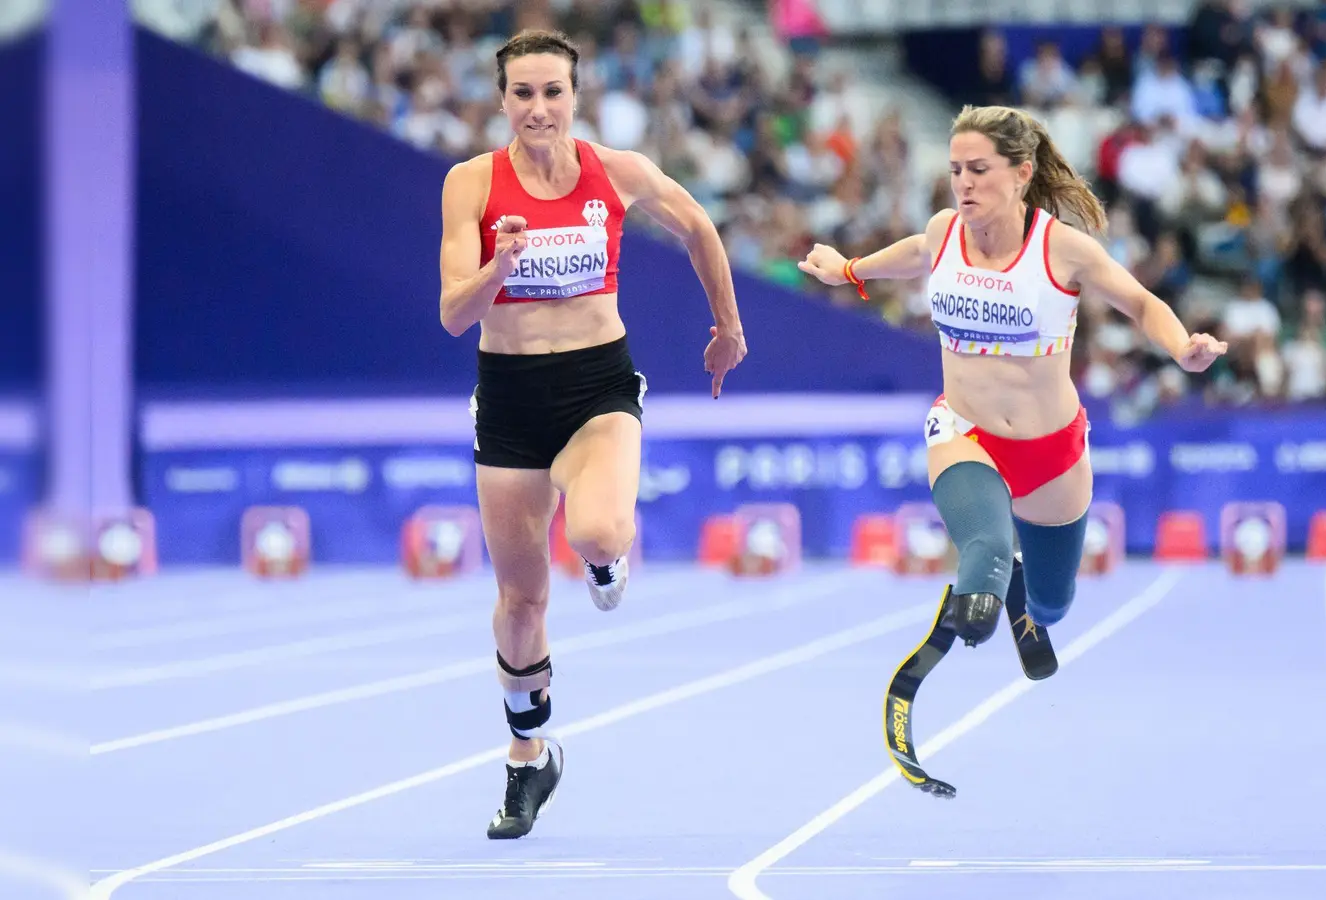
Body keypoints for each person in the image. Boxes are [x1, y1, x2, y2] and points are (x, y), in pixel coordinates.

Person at [798, 105, 1226, 794]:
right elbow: (911, 254)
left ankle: (1027, 589)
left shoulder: (1063, 251)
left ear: (1022, 174)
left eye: (979, 171)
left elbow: (1143, 304)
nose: (962, 185)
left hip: (1052, 452)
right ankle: (986, 587)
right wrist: (847, 270)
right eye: (954, 171)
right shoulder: (944, 232)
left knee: (1051, 607)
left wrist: (1185, 347)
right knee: (987, 558)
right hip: (964, 432)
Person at [437, 29, 747, 838]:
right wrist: (498, 268)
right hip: (508, 399)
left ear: (576, 97)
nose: (538, 108)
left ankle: (607, 556)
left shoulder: (618, 171)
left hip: (596, 387)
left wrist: (727, 326)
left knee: (600, 529)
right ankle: (528, 760)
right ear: (502, 101)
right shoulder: (471, 185)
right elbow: (451, 314)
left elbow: (698, 229)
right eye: (523, 94)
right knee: (519, 602)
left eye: (553, 92)